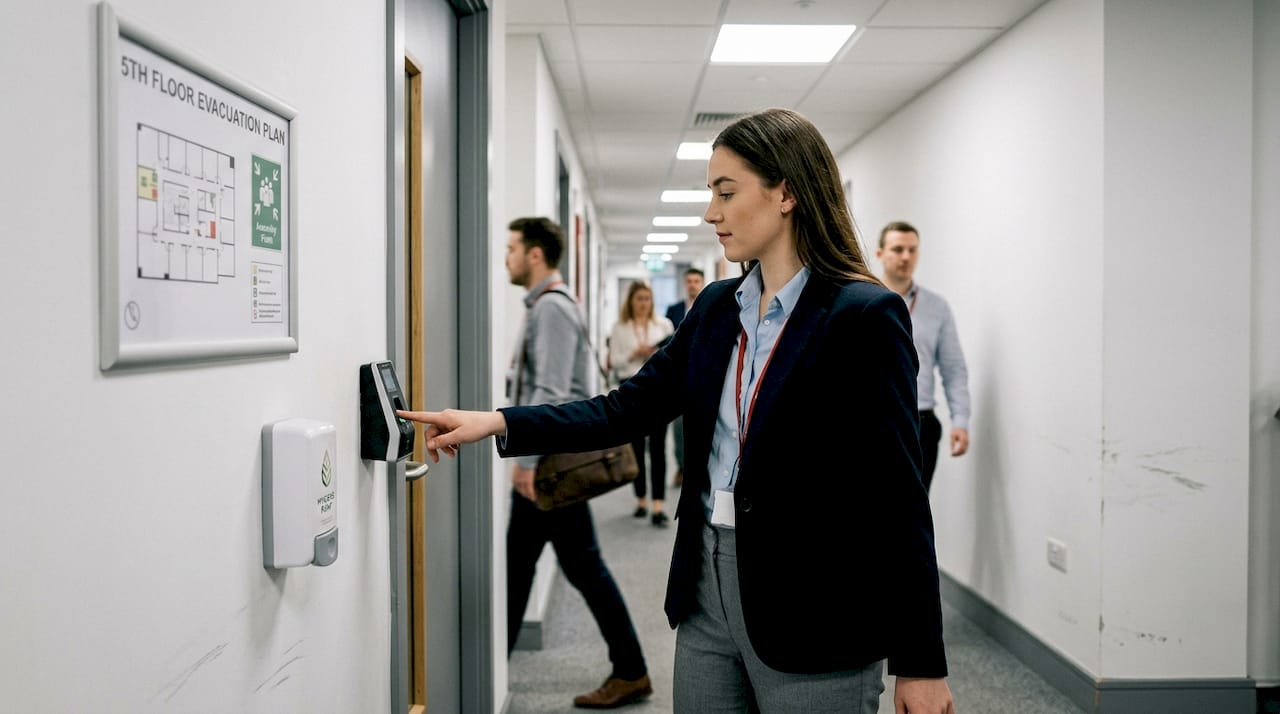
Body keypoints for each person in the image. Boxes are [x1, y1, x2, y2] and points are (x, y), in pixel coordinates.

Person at [401, 110, 956, 714]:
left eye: (725, 192)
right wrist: (501, 422)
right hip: (706, 587)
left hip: (815, 602)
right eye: (708, 194)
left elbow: (898, 496)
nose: (710, 212)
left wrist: (920, 661)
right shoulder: (718, 307)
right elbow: (628, 408)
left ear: (788, 193)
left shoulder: (862, 316)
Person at [497, 217, 652, 709]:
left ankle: (631, 670)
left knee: (569, 566)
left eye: (512, 248)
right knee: (534, 565)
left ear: (536, 254)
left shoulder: (552, 310)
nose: (507, 257)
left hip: (550, 467)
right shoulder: (547, 306)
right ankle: (628, 668)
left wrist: (524, 461)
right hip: (550, 465)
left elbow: (552, 391)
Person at [875, 221, 971, 493]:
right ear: (880, 254)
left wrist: (960, 420)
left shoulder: (936, 307)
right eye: (897, 249)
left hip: (921, 425)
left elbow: (953, 369)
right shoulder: (861, 301)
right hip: (873, 421)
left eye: (912, 250)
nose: (906, 257)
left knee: (913, 514)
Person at [609, 280, 675, 526]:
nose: (643, 303)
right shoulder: (620, 328)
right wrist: (633, 355)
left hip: (659, 391)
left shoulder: (663, 326)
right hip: (631, 389)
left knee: (658, 449)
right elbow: (614, 362)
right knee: (636, 448)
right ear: (631, 301)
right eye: (639, 299)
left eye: (647, 298)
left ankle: (659, 504)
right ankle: (641, 499)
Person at [664, 267, 705, 489]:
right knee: (679, 428)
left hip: (703, 375)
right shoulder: (674, 310)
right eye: (689, 281)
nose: (692, 284)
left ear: (702, 282)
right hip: (681, 376)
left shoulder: (713, 306)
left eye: (696, 280)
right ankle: (681, 466)